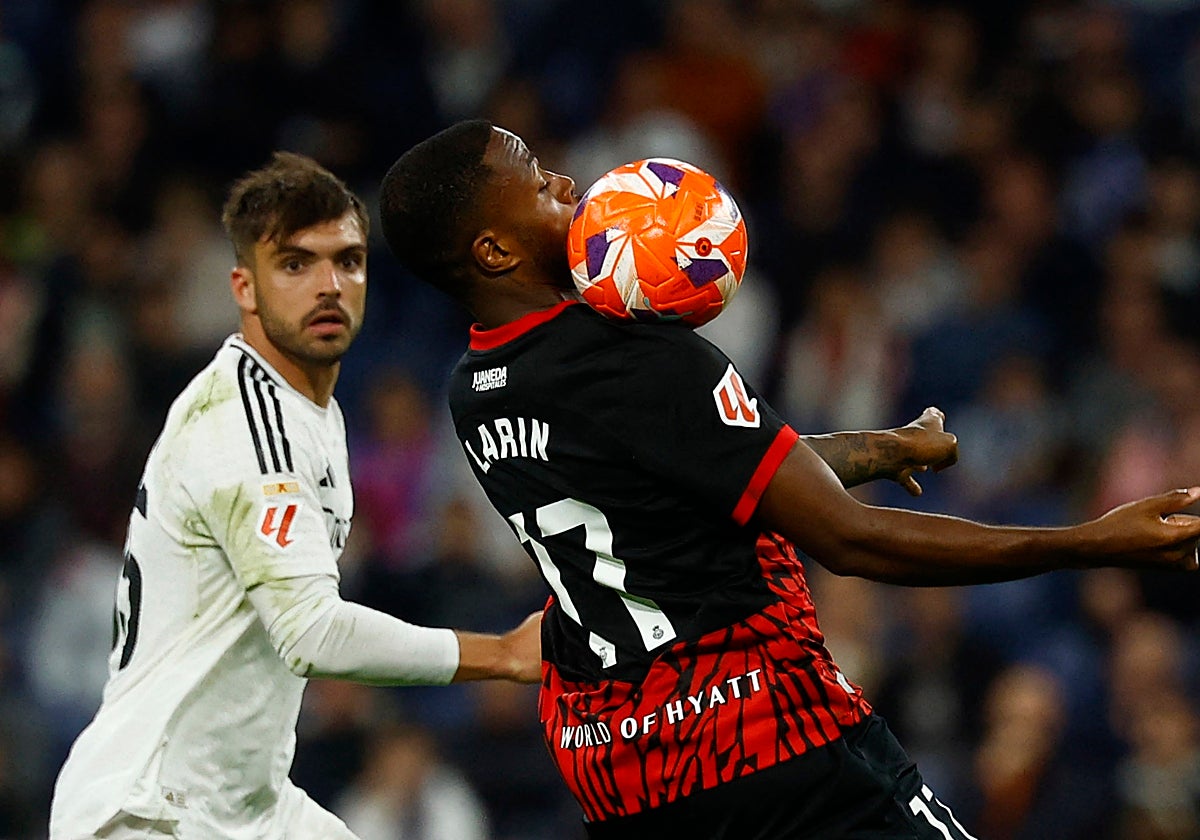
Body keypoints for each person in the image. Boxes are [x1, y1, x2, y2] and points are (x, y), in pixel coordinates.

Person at [376, 119, 1200, 840]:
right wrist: (1093, 540)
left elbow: (679, 482)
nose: (565, 180)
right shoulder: (640, 355)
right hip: (765, 738)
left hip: (623, 778)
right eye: (536, 177)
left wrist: (877, 450)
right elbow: (850, 537)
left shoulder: (473, 391)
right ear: (493, 247)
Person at [48, 152, 542, 840]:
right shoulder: (244, 424)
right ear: (243, 287)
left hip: (243, 803)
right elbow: (312, 632)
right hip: (153, 809)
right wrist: (504, 655)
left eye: (347, 261)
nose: (328, 285)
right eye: (295, 264)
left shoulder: (311, 413)